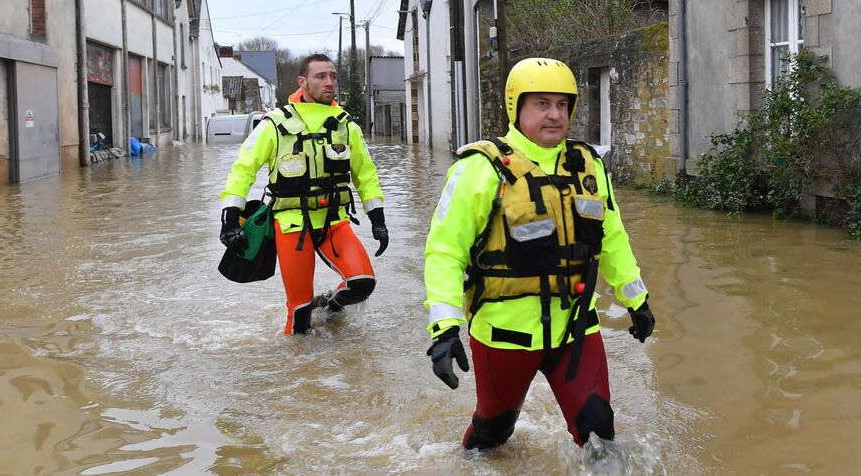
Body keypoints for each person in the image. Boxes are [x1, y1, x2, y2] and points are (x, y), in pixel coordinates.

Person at [422, 57, 656, 449]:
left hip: (577, 326)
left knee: (600, 432)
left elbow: (611, 237)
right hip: (505, 334)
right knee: (493, 435)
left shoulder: (588, 165)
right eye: (542, 104)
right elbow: (444, 252)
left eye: (563, 104)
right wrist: (444, 328)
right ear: (516, 107)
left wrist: (638, 300)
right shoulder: (479, 169)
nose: (555, 114)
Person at [220, 53, 388, 335]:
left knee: (362, 282)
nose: (329, 82)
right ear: (302, 81)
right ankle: (297, 369)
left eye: (333, 76)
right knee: (299, 314)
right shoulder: (274, 123)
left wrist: (378, 218)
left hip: (334, 222)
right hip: (291, 225)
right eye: (320, 76)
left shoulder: (347, 125)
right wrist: (230, 217)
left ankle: (329, 309)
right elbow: (243, 170)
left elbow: (366, 175)